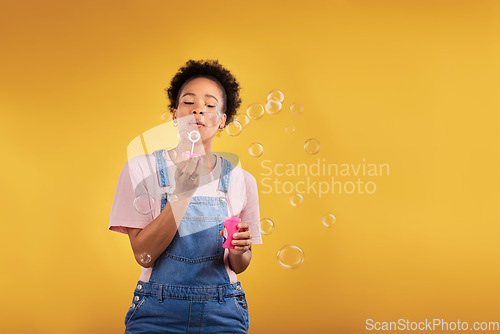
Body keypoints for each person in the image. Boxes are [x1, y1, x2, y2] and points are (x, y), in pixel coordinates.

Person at [109, 59, 263, 333]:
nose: (198, 110)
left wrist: (240, 250)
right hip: (157, 312)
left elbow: (238, 266)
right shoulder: (141, 169)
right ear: (174, 114)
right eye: (188, 102)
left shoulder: (241, 180)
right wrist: (181, 195)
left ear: (223, 120)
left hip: (223, 311)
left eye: (210, 105)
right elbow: (143, 255)